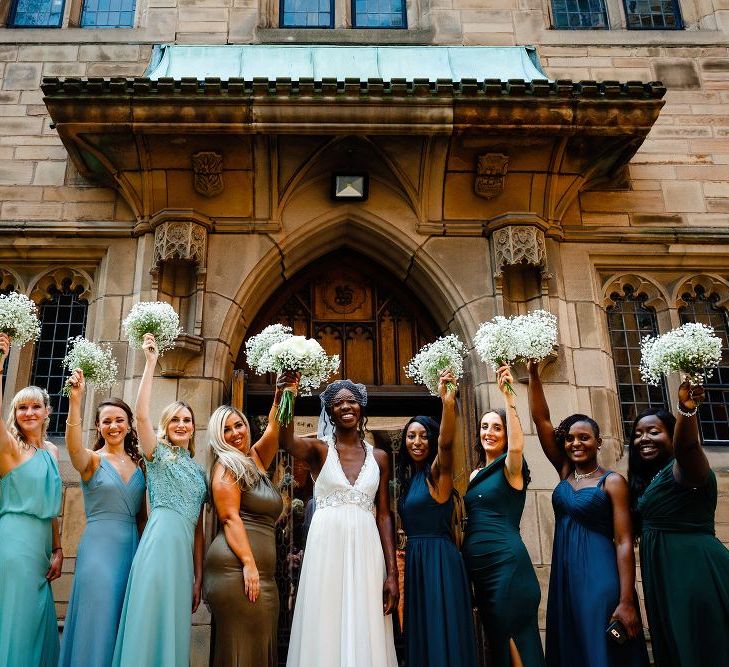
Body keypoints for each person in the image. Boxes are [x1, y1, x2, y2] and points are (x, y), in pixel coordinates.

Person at [527, 362, 648, 667]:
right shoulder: (566, 472)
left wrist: (626, 599)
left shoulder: (612, 481)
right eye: (569, 438)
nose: (576, 443)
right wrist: (532, 374)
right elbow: (541, 419)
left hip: (600, 576)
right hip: (566, 575)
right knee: (573, 644)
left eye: (584, 437)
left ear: (598, 442)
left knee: (599, 645)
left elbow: (623, 541)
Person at [280, 375, 398, 667]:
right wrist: (287, 396)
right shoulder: (318, 451)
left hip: (367, 549)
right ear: (329, 413)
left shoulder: (380, 457)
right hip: (326, 547)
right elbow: (286, 440)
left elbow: (383, 515)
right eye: (338, 403)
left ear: (361, 408)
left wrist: (393, 573)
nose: (346, 406)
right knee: (326, 614)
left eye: (352, 401)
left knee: (365, 615)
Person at [112, 333, 207, 667]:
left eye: (187, 420)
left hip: (183, 558)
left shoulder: (199, 473)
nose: (182, 425)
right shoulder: (157, 454)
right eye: (175, 420)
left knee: (173, 626)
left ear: (194, 428)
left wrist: (198, 576)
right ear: (166, 426)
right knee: (148, 620)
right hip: (157, 547)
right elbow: (139, 418)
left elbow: (199, 530)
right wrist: (151, 362)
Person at [629, 381, 729, 667]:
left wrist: (686, 410)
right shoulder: (652, 479)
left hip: (694, 573)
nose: (643, 439)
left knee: (702, 646)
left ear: (671, 434)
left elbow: (687, 445)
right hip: (665, 576)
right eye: (637, 434)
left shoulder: (686, 468)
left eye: (653, 431)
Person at [59, 370, 147, 667]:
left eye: (119, 420)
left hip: (131, 549)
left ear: (129, 425)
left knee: (123, 620)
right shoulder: (91, 460)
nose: (113, 426)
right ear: (97, 426)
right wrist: (76, 401)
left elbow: (143, 517)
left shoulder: (140, 465)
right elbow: (72, 448)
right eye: (106, 421)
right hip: (98, 549)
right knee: (96, 617)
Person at [462, 365, 545, 667]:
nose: (489, 432)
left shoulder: (512, 468)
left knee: (515, 639)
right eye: (485, 426)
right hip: (482, 573)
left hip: (507, 567)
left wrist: (509, 397)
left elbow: (519, 445)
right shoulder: (475, 474)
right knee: (499, 642)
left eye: (497, 427)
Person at [396, 369, 478, 667]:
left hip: (438, 561)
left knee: (443, 630)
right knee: (423, 632)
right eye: (410, 436)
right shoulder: (411, 479)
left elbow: (446, 444)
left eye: (423, 436)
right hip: (417, 561)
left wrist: (448, 402)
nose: (416, 442)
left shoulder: (436, 474)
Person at [203, 397, 284, 667]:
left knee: (258, 649)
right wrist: (248, 563)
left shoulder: (256, 459)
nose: (235, 433)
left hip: (262, 573)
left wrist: (282, 393)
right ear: (218, 436)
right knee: (242, 650)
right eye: (227, 429)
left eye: (239, 425)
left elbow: (274, 427)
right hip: (236, 569)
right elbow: (229, 517)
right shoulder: (226, 465)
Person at [0, 332, 63, 667]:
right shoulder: (11, 448)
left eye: (35, 406)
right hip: (13, 540)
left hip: (41, 544)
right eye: (21, 407)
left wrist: (57, 548)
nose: (28, 412)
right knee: (18, 618)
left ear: (46, 411)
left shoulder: (52, 451)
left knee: (37, 620)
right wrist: (0, 365)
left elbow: (51, 508)